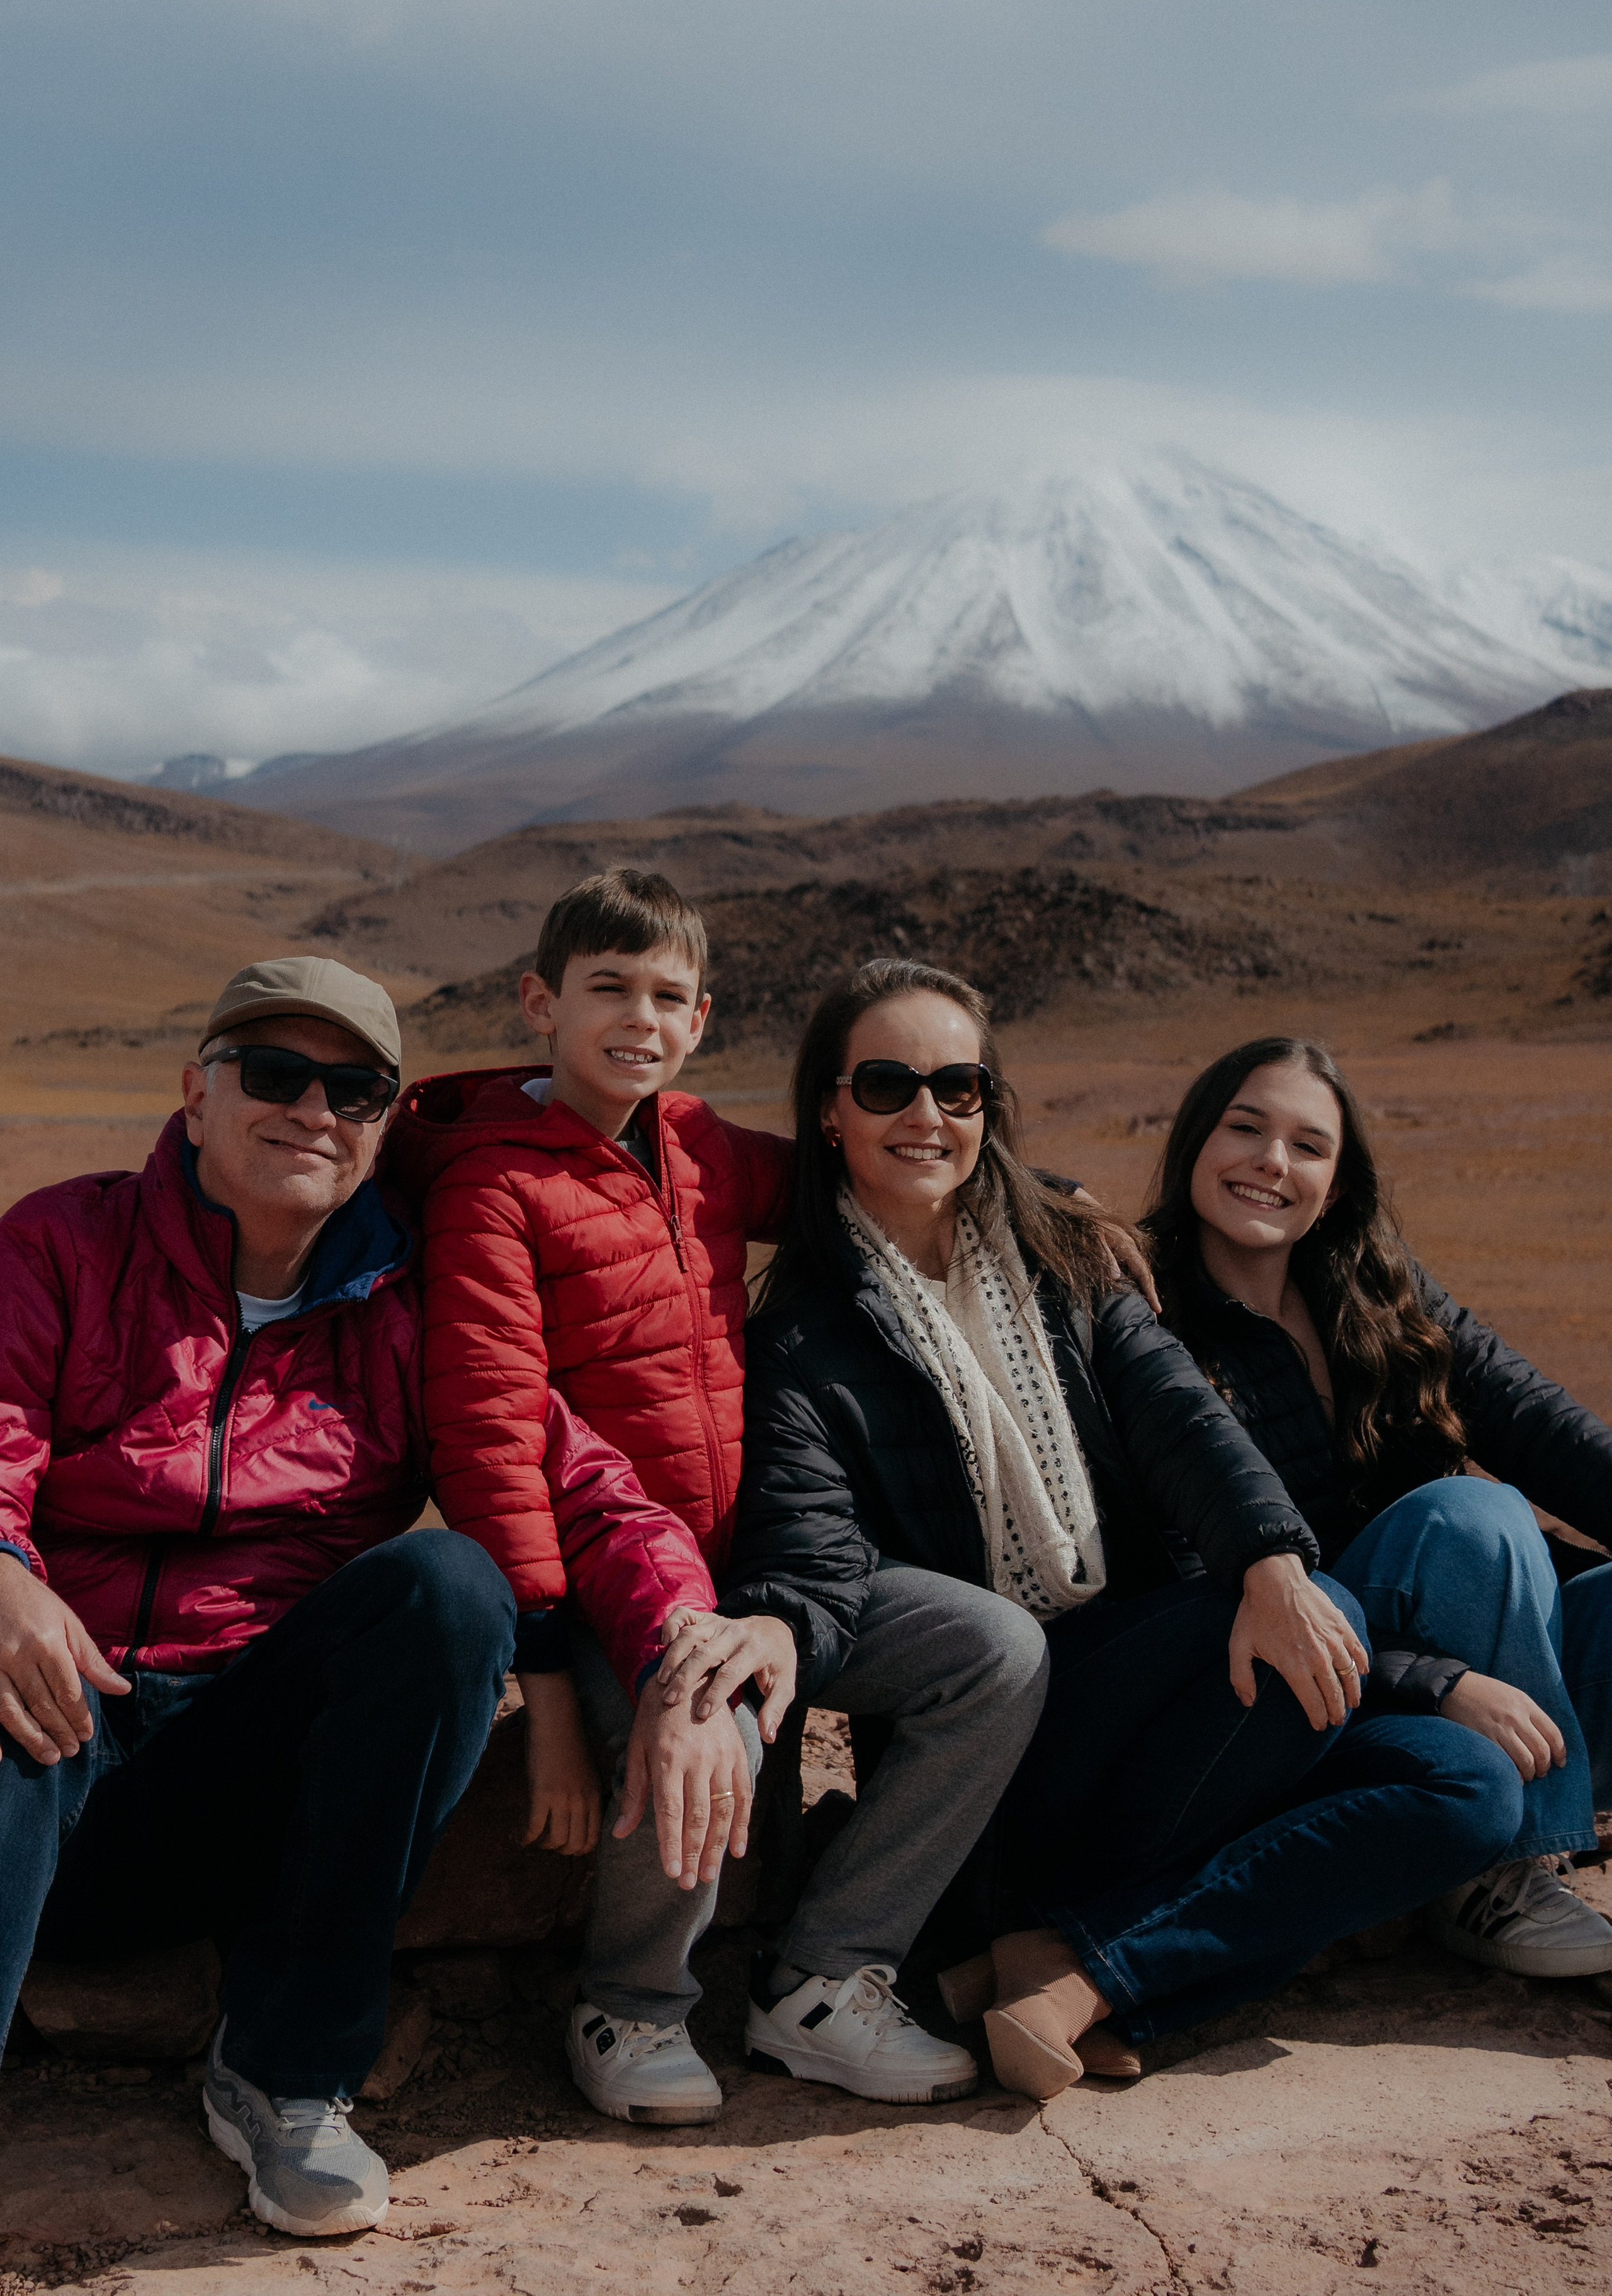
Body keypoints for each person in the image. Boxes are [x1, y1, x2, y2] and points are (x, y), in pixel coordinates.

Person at [688, 958, 1516, 2101]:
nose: (926, 1115)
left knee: (1469, 1787)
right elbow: (811, 1551)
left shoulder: (1068, 1261)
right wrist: (781, 1624)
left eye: (958, 1087)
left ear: (990, 1106)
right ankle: (1096, 1958)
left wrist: (1278, 1563)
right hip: (1016, 1760)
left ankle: (1071, 1972)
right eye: (886, 1084)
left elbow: (1182, 1420)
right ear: (828, 1111)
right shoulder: (800, 1339)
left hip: (1167, 1707)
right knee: (1290, 1643)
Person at [0, 957, 737, 2237]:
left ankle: (288, 2076)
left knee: (447, 1588)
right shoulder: (66, 1240)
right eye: (273, 1074)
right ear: (195, 1091)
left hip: (239, 1776)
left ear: (387, 1121)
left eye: (353, 1089)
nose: (312, 1111)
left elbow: (581, 1486)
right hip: (49, 1740)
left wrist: (684, 1641)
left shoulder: (407, 1306)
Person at [385, 868, 798, 2128]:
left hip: (731, 1572)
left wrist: (1040, 1202)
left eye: (666, 995)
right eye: (607, 987)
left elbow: (859, 1192)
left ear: (701, 1019)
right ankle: (630, 2005)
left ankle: (824, 1977)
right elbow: (495, 1447)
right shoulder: (491, 1185)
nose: (639, 1016)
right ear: (538, 1004)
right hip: (595, 1585)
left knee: (972, 1662)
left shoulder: (703, 1149)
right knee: (707, 1736)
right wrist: (549, 1695)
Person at [1142, 1033, 1612, 1978]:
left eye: (1308, 1146)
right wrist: (1435, 1682)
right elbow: (1192, 1581)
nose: (1273, 1163)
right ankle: (1503, 1873)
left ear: (1339, 1180)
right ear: (1196, 1140)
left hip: (1479, 1669)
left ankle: (1500, 1846)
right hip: (1325, 1688)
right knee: (1472, 1518)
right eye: (1246, 1129)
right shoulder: (1145, 1317)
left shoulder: (1376, 1289)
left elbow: (1537, 1424)